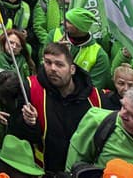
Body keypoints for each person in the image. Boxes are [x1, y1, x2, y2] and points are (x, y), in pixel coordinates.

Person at [10, 42, 106, 175]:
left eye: (59, 64)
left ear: (72, 69)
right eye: (48, 62)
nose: (52, 69)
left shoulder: (95, 98)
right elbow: (19, 136)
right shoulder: (30, 89)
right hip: (43, 171)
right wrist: (30, 123)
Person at [48, 8, 111, 89]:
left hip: (76, 99)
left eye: (68, 22)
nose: (62, 23)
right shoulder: (54, 34)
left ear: (79, 27)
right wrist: (55, 51)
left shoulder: (99, 55)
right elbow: (43, 65)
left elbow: (93, 89)